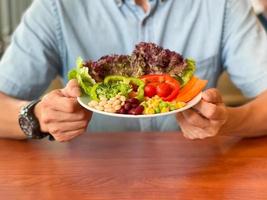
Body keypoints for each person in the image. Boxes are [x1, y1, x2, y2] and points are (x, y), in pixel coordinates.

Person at [0, 0, 267, 142]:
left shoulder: (224, 5)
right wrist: (38, 117)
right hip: (89, 176)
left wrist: (226, 121)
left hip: (196, 174)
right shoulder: (56, 7)